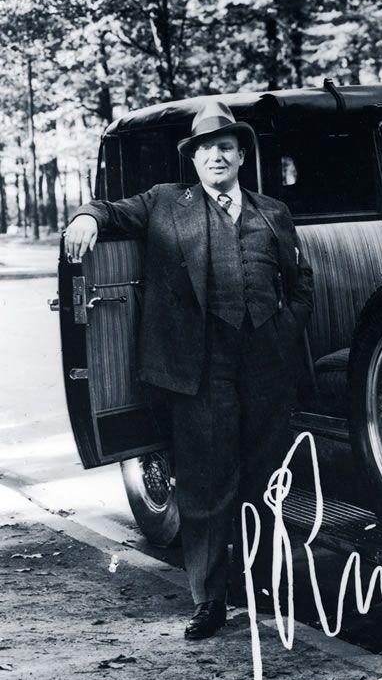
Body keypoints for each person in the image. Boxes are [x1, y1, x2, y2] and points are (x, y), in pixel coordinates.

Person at [63, 101, 314, 640]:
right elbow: (109, 211)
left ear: (241, 155)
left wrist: (286, 327)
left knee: (264, 478)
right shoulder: (164, 203)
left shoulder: (274, 211)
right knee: (204, 485)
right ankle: (209, 601)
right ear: (194, 160)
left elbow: (300, 281)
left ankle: (262, 586)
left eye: (226, 146)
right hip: (199, 368)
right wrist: (85, 217)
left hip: (266, 364)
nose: (216, 156)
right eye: (206, 149)